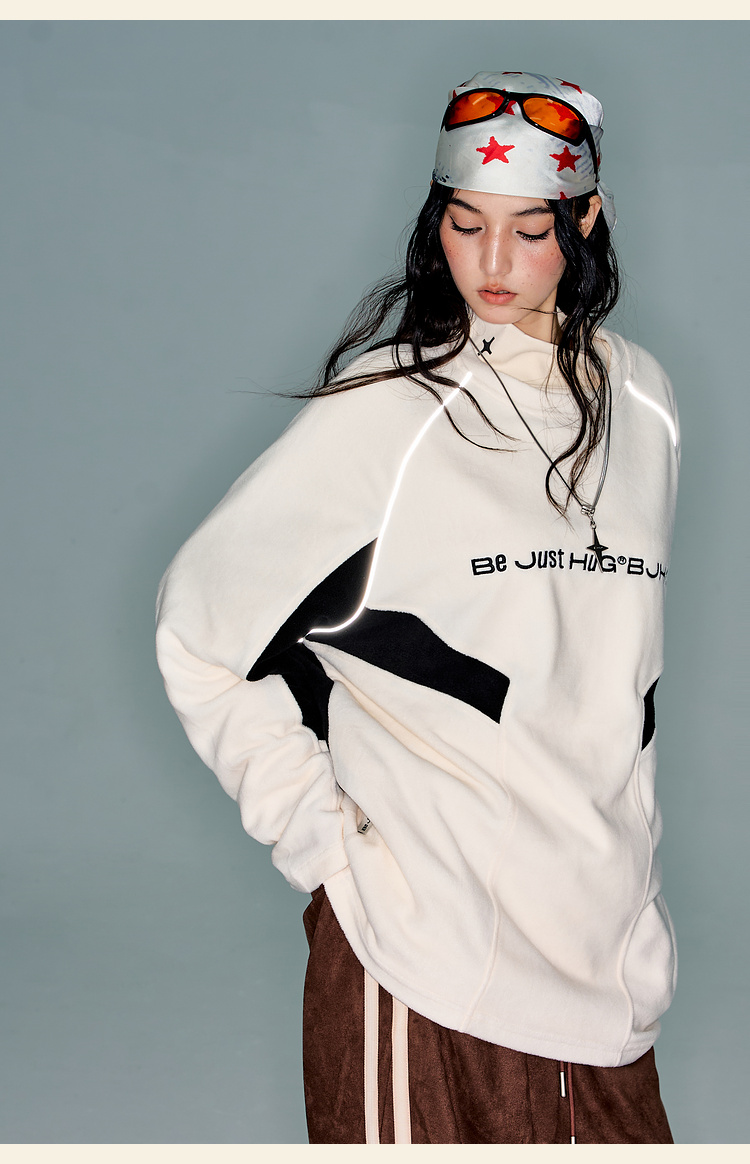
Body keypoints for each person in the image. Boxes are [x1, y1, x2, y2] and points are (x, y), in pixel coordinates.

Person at [155, 71, 679, 1144]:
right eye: (465, 223)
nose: (493, 263)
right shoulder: (392, 407)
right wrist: (323, 848)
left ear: (585, 221)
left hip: (611, 961)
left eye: (530, 230)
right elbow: (197, 632)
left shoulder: (644, 403)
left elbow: (611, 683)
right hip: (427, 961)